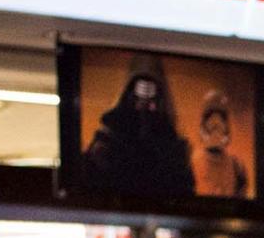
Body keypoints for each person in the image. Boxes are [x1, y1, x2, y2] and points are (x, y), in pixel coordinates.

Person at [81, 54, 196, 199]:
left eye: (150, 102)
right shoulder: (107, 141)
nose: (144, 108)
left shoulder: (173, 150)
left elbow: (185, 197)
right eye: (138, 100)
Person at [191, 90, 248, 198]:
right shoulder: (191, 165)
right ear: (203, 126)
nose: (216, 124)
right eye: (210, 118)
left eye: (221, 119)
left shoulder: (237, 167)